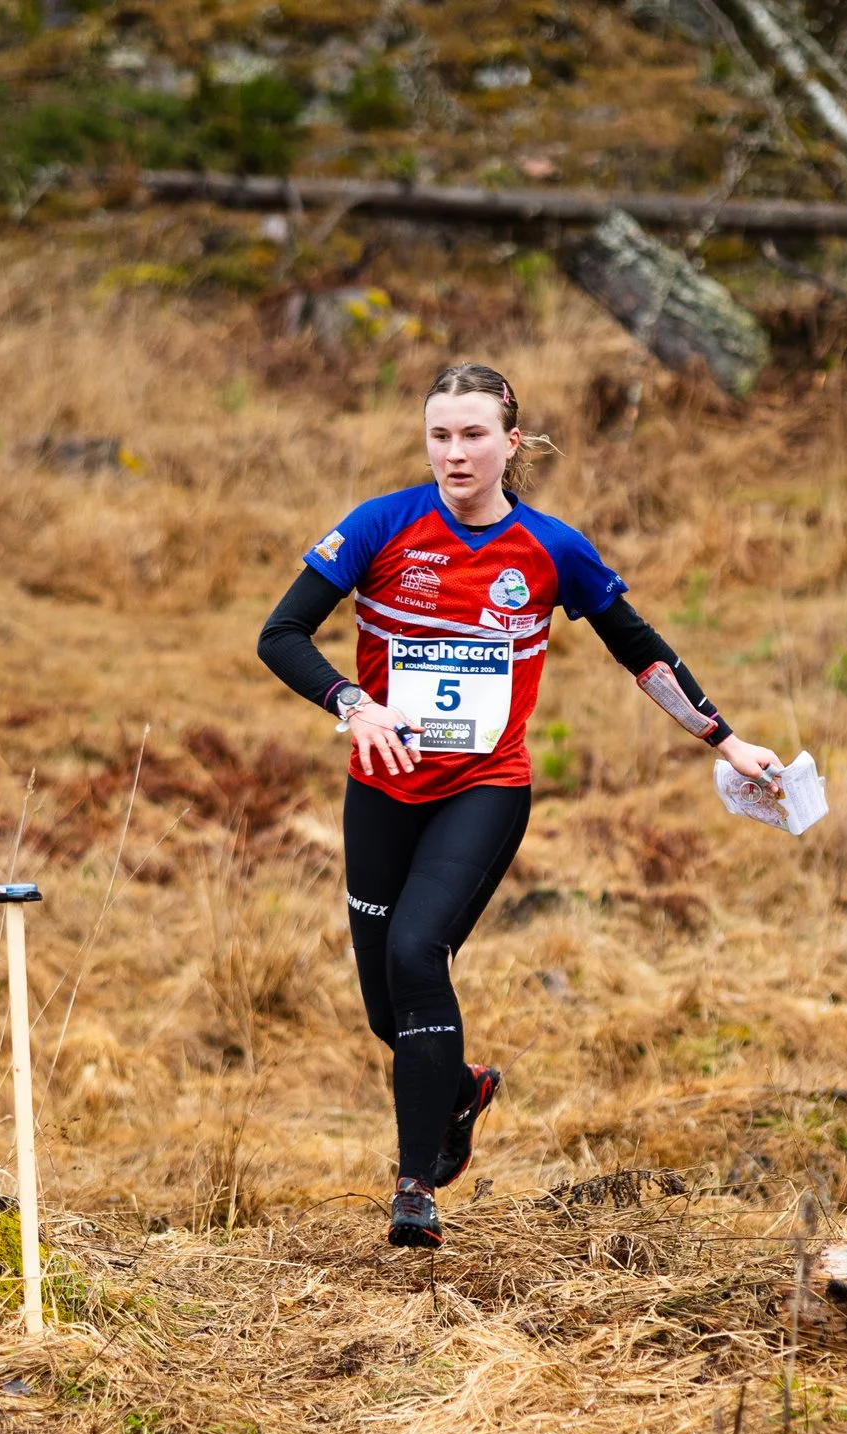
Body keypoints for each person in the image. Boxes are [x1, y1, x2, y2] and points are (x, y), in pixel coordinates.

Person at [257, 363, 783, 1249]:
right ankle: (458, 1089)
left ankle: (414, 1184)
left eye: (471, 435)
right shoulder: (380, 525)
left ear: (510, 442)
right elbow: (280, 633)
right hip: (381, 787)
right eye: (438, 435)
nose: (454, 452)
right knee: (389, 1007)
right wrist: (354, 703)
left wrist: (725, 741)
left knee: (420, 952)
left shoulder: (551, 549)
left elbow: (639, 649)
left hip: (485, 787)